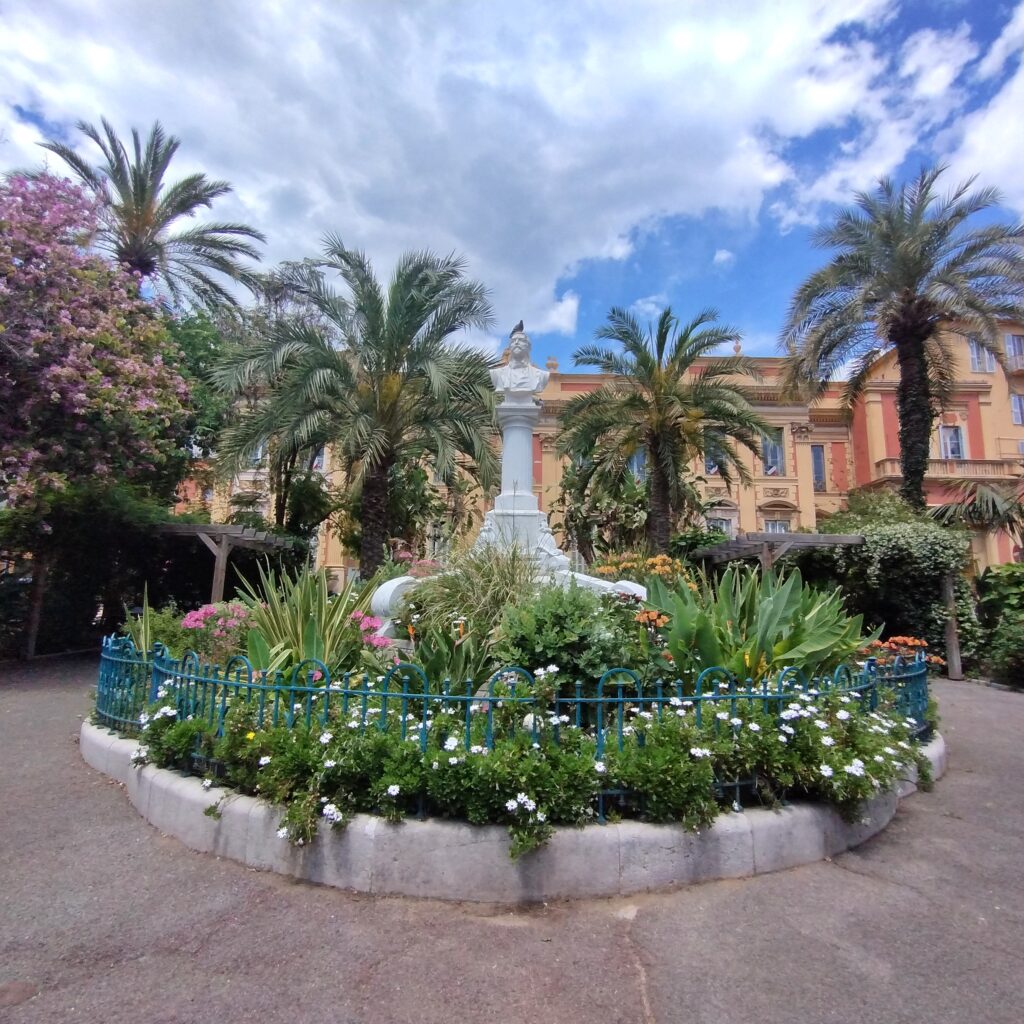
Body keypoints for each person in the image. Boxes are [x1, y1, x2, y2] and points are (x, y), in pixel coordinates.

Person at [490, 330, 548, 395]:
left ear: (529, 347)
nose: (516, 343)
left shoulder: (541, 375)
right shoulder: (497, 373)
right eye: (513, 341)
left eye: (521, 340)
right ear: (510, 347)